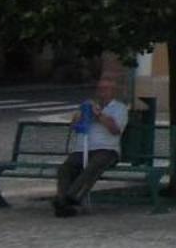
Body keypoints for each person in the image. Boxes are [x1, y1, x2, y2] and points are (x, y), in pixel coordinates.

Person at [53, 72, 129, 217]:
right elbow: (74, 127)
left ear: (113, 92)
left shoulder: (119, 108)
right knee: (65, 168)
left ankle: (71, 198)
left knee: (93, 166)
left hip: (106, 149)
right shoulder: (88, 105)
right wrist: (78, 116)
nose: (102, 93)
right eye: (100, 89)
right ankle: (63, 202)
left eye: (106, 90)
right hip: (83, 148)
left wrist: (99, 115)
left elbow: (115, 130)